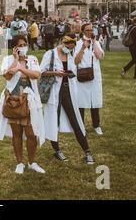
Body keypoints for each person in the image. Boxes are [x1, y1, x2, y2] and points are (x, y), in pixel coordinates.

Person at [0, 35, 46, 174]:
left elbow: (36, 75)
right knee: (17, 133)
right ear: (15, 48)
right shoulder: (8, 60)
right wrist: (16, 61)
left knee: (31, 133)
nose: (23, 47)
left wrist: (21, 69)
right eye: (20, 45)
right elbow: (7, 75)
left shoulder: (32, 59)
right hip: (14, 101)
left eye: (25, 44)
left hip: (30, 101)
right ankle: (19, 163)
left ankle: (32, 162)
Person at [40, 34, 95, 164]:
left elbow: (74, 66)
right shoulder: (50, 54)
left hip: (68, 90)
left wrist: (70, 71)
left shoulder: (70, 54)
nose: (69, 49)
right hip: (54, 92)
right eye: (67, 47)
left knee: (75, 121)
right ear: (62, 43)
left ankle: (87, 151)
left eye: (71, 48)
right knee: (54, 121)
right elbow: (41, 71)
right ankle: (57, 150)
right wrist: (56, 73)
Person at [74, 24, 105, 136]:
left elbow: (100, 56)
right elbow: (75, 61)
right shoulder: (77, 44)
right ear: (83, 31)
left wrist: (94, 42)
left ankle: (96, 125)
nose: (90, 32)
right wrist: (83, 48)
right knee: (80, 102)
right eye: (87, 30)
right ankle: (81, 126)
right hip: (81, 76)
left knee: (94, 102)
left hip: (94, 76)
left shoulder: (95, 43)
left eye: (91, 30)